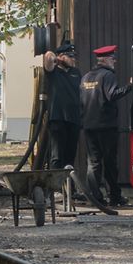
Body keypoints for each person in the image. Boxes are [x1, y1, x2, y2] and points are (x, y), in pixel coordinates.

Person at [80, 45, 132, 206]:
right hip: (106, 126)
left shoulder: (86, 77)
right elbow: (112, 95)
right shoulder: (107, 76)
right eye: (112, 58)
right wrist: (130, 86)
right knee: (110, 162)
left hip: (89, 125)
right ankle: (115, 197)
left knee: (94, 163)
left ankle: (95, 197)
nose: (114, 61)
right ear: (104, 60)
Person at [42, 42, 82, 171]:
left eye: (74, 56)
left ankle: (69, 188)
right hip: (58, 119)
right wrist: (56, 58)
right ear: (61, 57)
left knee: (69, 158)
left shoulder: (76, 72)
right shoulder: (53, 72)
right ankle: (55, 188)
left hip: (74, 119)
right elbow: (48, 56)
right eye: (70, 56)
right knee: (57, 157)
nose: (73, 59)